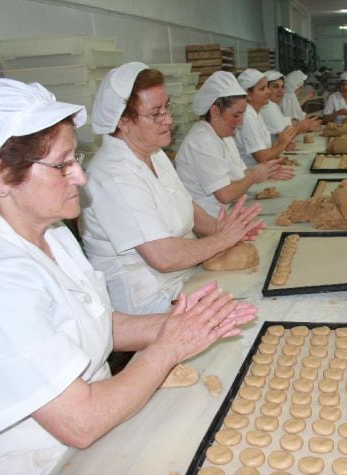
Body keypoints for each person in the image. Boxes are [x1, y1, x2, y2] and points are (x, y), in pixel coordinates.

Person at [0, 78, 256, 475]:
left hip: (85, 431)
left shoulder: (47, 230)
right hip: (22, 474)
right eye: (62, 165)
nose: (80, 177)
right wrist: (168, 347)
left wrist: (186, 324)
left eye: (75, 159)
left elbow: (97, 322)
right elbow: (79, 423)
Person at [81, 63, 264, 315]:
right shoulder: (111, 175)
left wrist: (223, 228)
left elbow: (186, 205)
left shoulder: (153, 153)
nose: (168, 119)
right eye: (156, 113)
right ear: (123, 121)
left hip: (185, 278)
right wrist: (222, 239)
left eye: (167, 107)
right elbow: (163, 257)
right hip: (148, 301)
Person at [176, 71, 294, 217]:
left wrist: (265, 172)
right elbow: (225, 194)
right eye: (236, 115)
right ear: (215, 111)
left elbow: (239, 175)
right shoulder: (202, 141)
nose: (241, 122)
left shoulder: (224, 136)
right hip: (211, 221)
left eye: (242, 115)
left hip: (228, 212)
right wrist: (253, 176)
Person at [234, 68, 297, 167]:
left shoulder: (256, 113)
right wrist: (282, 144)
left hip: (260, 170)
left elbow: (264, 148)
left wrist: (279, 144)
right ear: (248, 94)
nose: (268, 92)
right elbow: (262, 158)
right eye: (262, 89)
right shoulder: (247, 117)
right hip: (251, 173)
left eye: (267, 87)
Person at [260, 70, 320, 138]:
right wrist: (299, 128)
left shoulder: (272, 105)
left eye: (282, 87)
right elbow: (283, 136)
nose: (281, 91)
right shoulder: (267, 108)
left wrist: (301, 124)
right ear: (266, 89)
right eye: (275, 87)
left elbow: (285, 124)